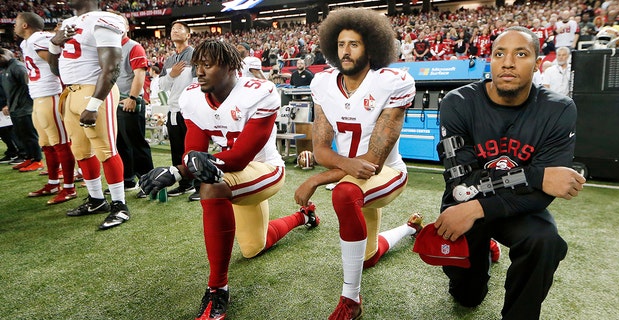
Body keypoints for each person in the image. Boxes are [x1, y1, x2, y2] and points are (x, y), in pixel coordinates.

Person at [139, 40, 320, 320]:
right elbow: (193, 150)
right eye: (197, 65)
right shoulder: (193, 97)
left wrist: (181, 171)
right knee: (253, 248)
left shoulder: (259, 92)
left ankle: (217, 288)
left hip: (264, 168)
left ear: (231, 67)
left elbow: (239, 158)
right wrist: (184, 166)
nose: (199, 72)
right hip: (229, 174)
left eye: (207, 65)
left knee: (211, 187)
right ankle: (303, 216)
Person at [428, 26, 585, 320]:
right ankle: (483, 250)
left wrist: (480, 206)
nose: (508, 62)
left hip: (510, 208)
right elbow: (462, 184)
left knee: (544, 239)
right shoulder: (458, 102)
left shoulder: (559, 110)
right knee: (467, 298)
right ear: (491, 60)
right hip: (466, 206)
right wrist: (537, 176)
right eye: (499, 54)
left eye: (521, 54)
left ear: (537, 64)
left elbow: (541, 198)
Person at [292, 8, 420, 319]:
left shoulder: (391, 82)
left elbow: (372, 163)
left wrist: (315, 179)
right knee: (367, 258)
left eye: (354, 44)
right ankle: (409, 227)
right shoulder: (323, 83)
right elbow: (320, 149)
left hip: (387, 172)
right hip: (353, 173)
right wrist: (341, 165)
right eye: (340, 44)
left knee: (343, 194)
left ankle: (351, 299)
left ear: (371, 47)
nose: (345, 52)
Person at [47, 0, 130, 230]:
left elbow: (112, 66)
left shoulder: (105, 19)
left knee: (106, 149)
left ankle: (119, 205)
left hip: (94, 90)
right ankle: (96, 200)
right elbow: (55, 69)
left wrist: (94, 104)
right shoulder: (68, 23)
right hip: (71, 91)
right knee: (81, 151)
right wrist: (55, 43)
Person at [14, 12, 77, 204]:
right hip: (39, 96)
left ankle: (69, 187)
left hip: (50, 94)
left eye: (16, 22)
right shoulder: (27, 42)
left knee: (60, 142)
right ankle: (53, 182)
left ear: (25, 25)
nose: (14, 26)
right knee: (47, 143)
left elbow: (54, 61)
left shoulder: (38, 39)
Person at [112, 15, 154, 198]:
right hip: (114, 101)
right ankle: (127, 179)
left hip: (129, 101)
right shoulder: (109, 48)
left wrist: (132, 97)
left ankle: (148, 182)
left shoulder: (133, 46)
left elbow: (139, 75)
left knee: (136, 142)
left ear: (127, 27)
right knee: (120, 143)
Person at [158, 20, 198, 200]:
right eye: (173, 29)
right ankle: (184, 184)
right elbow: (161, 86)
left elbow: (199, 82)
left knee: (194, 148)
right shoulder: (169, 60)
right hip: (173, 110)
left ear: (188, 35)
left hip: (191, 109)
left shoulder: (195, 55)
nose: (175, 31)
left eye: (179, 29)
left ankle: (200, 185)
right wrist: (171, 74)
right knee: (177, 150)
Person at [0, 48, 44, 173]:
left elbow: (28, 85)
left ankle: (37, 160)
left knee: (30, 135)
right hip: (15, 108)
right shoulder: (6, 68)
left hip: (24, 108)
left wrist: (27, 104)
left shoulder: (18, 67)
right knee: (21, 135)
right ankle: (29, 158)